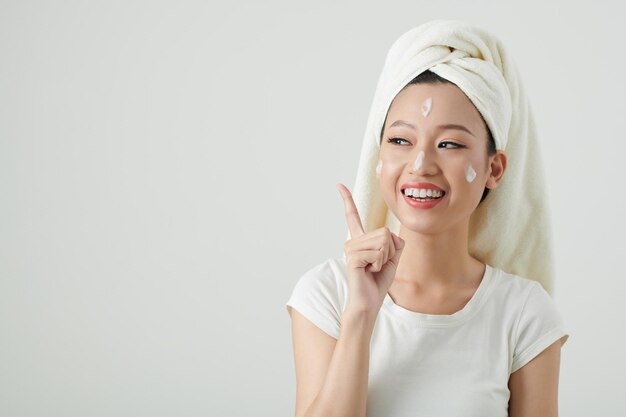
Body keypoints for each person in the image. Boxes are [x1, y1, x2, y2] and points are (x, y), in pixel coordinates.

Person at [286, 20, 569, 417]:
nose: (420, 164)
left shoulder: (523, 313)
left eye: (450, 143)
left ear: (495, 169)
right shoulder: (326, 295)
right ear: (378, 154)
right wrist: (361, 315)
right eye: (400, 140)